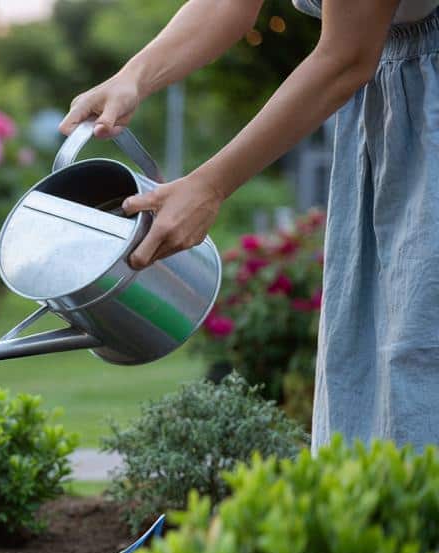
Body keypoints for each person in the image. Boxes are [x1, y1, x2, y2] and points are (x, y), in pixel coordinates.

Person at [61, 0, 439, 449]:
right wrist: (133, 77)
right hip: (395, 117)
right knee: (381, 371)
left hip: (423, 124)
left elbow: (347, 56)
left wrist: (210, 186)